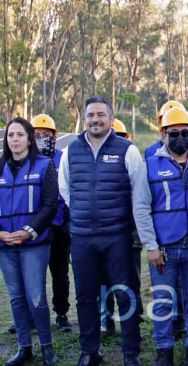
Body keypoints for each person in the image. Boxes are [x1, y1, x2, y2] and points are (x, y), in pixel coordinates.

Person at [59, 96, 157, 366]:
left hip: (117, 237)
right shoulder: (71, 151)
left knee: (125, 294)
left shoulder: (128, 150)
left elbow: (140, 193)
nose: (95, 119)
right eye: (91, 115)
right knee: (85, 296)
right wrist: (83, 212)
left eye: (101, 114)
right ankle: (90, 352)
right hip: (82, 237)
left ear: (111, 119)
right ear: (85, 118)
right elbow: (65, 190)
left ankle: (130, 353)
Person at [145, 107, 188, 366]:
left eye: (185, 132)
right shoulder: (149, 166)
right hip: (164, 247)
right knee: (162, 300)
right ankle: (164, 350)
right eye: (174, 133)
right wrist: (151, 245)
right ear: (163, 134)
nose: (180, 138)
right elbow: (142, 207)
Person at [0, 117, 59, 366]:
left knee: (36, 296)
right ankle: (25, 348)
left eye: (20, 135)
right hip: (5, 245)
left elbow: (49, 204)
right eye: (11, 135)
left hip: (34, 244)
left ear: (29, 138)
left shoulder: (44, 166)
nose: (15, 139)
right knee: (15, 297)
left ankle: (47, 349)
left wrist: (28, 230)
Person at [31, 114, 74, 333]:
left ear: (55, 136)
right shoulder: (27, 162)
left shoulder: (64, 159)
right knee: (34, 275)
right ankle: (32, 317)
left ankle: (62, 314)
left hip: (59, 227)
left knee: (60, 274)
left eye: (45, 135)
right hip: (36, 229)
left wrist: (67, 219)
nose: (40, 139)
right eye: (36, 135)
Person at [101, 118, 145, 335]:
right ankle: (106, 321)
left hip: (130, 234)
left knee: (131, 280)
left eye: (121, 136)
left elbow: (141, 200)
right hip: (105, 232)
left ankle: (133, 319)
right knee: (104, 280)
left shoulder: (133, 160)